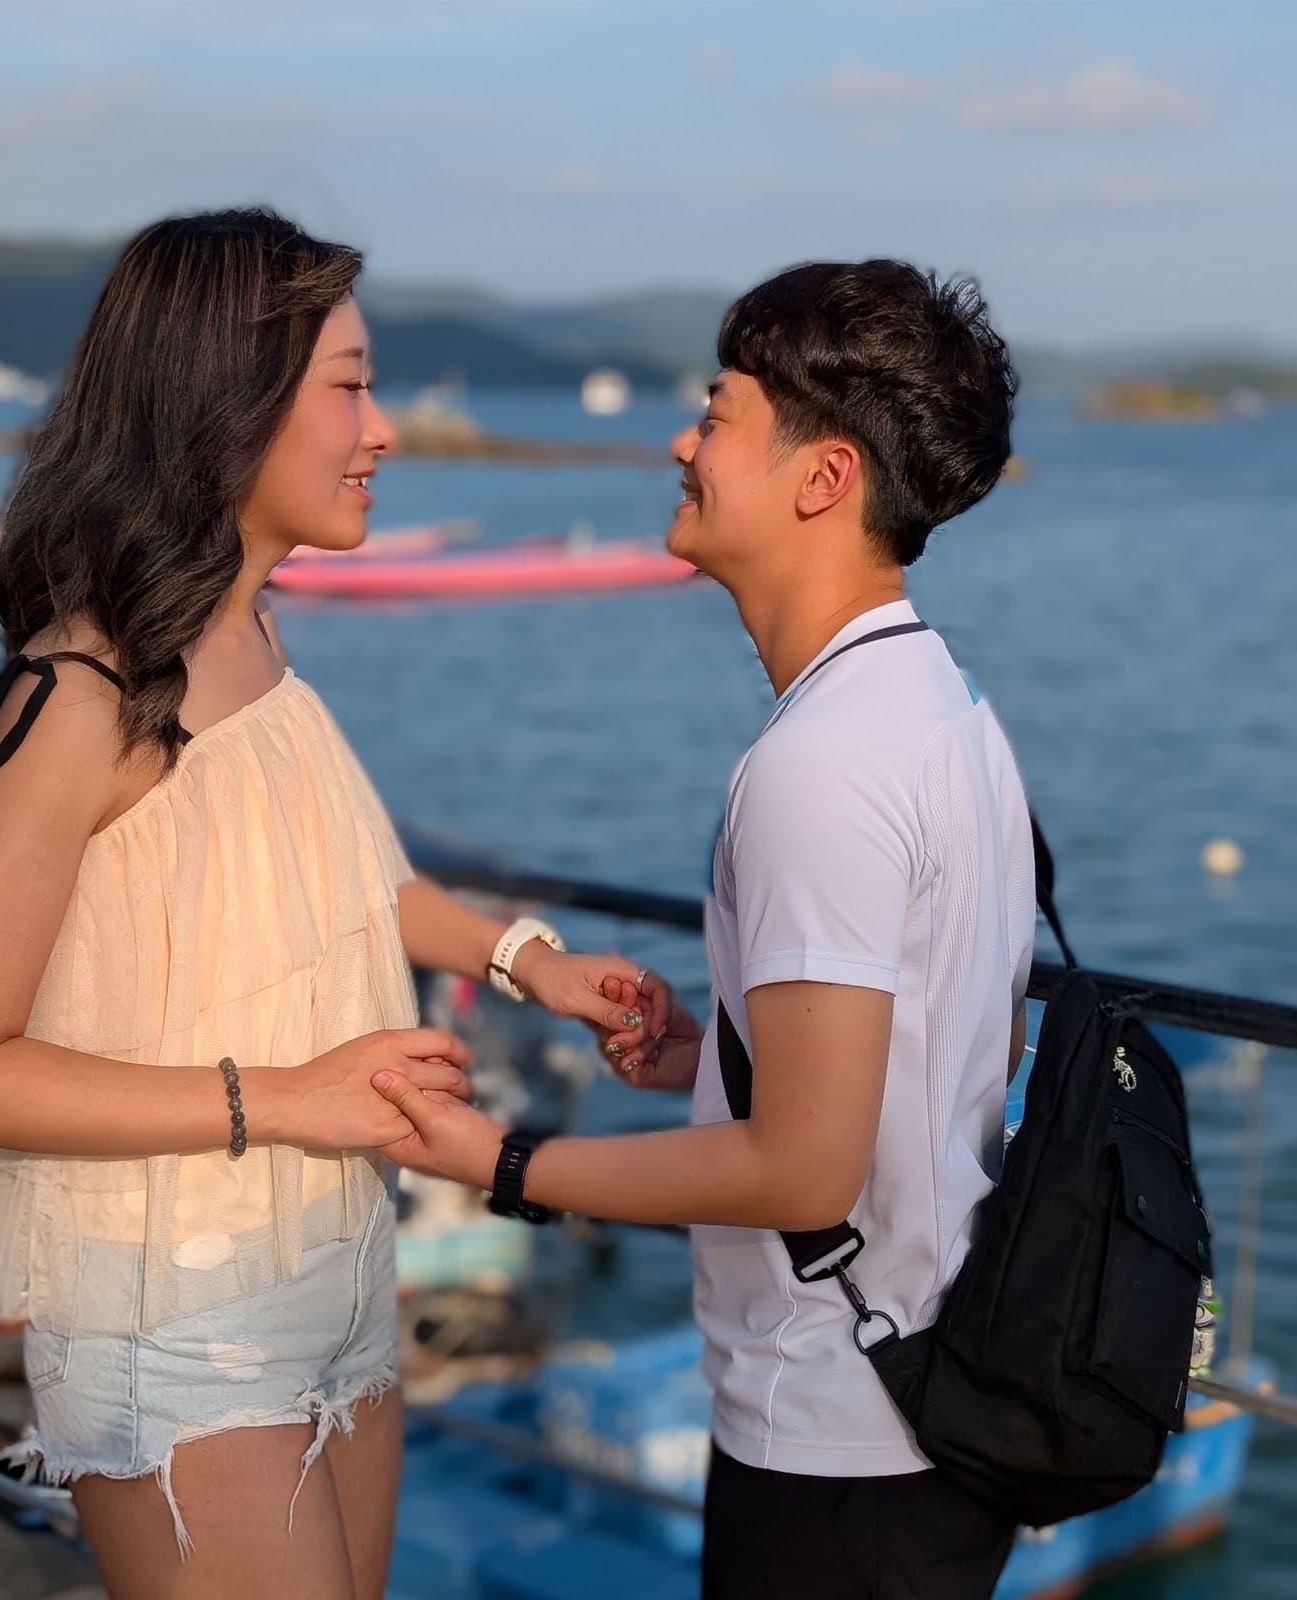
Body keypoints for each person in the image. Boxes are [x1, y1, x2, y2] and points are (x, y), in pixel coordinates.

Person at [0, 208, 648, 1600]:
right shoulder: (78, 693)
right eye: (351, 387)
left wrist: (528, 959)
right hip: (173, 1310)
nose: (385, 432)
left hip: (335, 1268)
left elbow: (342, 881)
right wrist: (292, 1097)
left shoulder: (248, 629)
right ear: (227, 402)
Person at [374, 259, 1033, 1600]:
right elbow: (963, 1036)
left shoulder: (821, 764)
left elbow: (801, 1174)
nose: (681, 444)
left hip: (836, 1436)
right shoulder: (946, 709)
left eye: (718, 413)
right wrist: (715, 1065)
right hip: (926, 1404)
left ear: (824, 477)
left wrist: (505, 1160)